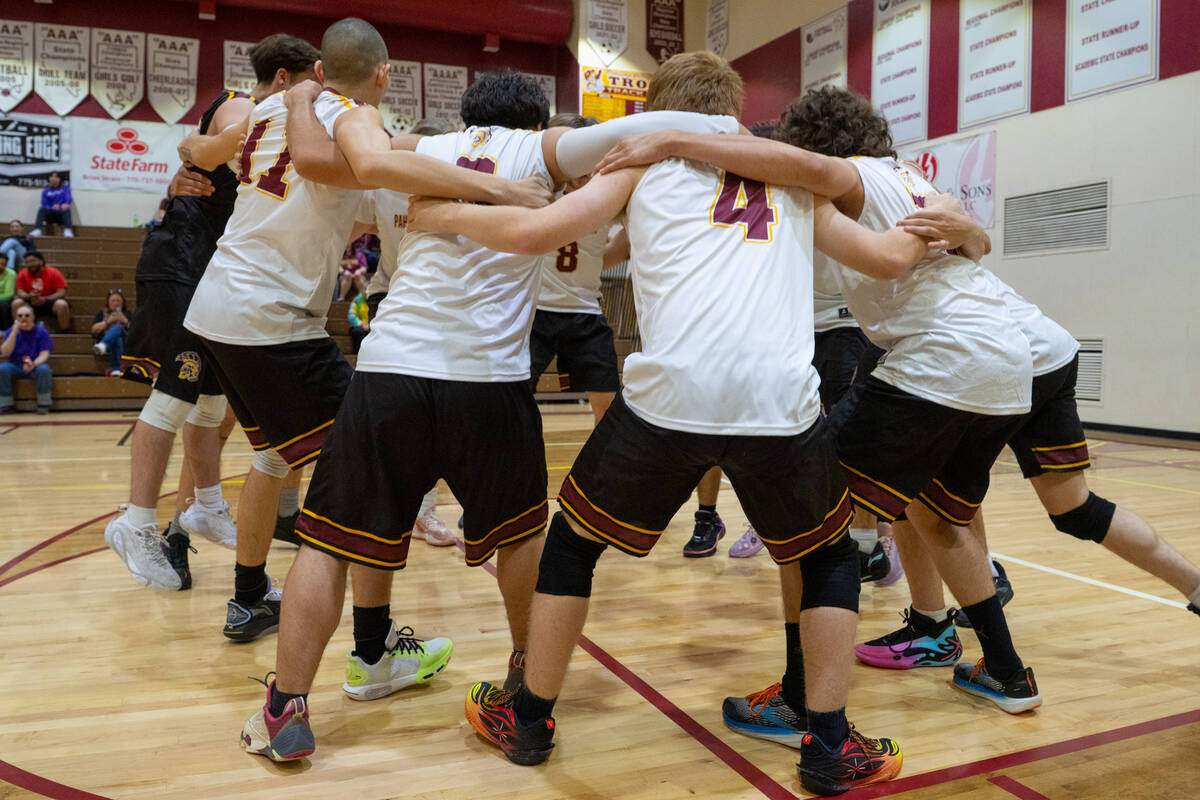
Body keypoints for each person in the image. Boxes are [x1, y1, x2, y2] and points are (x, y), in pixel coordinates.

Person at [404, 51, 959, 795]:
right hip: (778, 400)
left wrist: (443, 213)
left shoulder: (635, 159)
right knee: (826, 557)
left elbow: (543, 236)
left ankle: (529, 717)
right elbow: (888, 259)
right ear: (731, 106)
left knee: (571, 546)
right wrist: (951, 225)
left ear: (661, 108)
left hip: (673, 395)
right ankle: (829, 745)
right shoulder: (790, 170)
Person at [240, 41, 752, 763]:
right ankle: (522, 674)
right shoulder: (543, 153)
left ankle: (284, 711)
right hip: (490, 378)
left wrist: (293, 103)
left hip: (392, 369)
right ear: (537, 119)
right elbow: (663, 127)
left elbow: (322, 163)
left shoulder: (406, 151)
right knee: (521, 540)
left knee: (328, 544)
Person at [595, 85, 1042, 726]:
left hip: (939, 359)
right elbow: (966, 245)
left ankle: (802, 697)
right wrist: (974, 233)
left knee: (805, 512)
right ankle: (1004, 669)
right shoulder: (910, 177)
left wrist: (667, 140)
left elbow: (804, 171)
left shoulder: (848, 174)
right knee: (937, 517)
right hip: (1002, 368)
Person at [104, 34, 323, 595]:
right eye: (306, 86)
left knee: (212, 403)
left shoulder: (248, 113)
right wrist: (184, 160)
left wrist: (184, 160)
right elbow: (202, 149)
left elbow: (195, 153)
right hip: (183, 260)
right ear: (282, 79)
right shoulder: (247, 107)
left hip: (207, 267)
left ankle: (200, 508)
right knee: (175, 395)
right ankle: (136, 523)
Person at [529, 112, 623, 426]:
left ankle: (600, 472)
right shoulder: (537, 190)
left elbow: (626, 242)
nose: (582, 169)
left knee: (608, 401)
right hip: (534, 312)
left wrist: (594, 264)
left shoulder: (608, 194)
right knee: (513, 394)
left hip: (585, 312)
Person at [0, 306, 53, 414]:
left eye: (27, 315)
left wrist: (33, 364)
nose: (23, 318)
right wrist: (14, 334)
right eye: (20, 316)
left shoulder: (41, 331)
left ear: (33, 317)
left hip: (34, 365)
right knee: (2, 369)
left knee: (44, 369)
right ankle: (6, 405)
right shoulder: (11, 331)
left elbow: (44, 354)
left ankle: (43, 404)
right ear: (16, 318)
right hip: (15, 365)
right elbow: (5, 352)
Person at [12, 251, 70, 332]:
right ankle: (18, 331)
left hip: (49, 302)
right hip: (30, 302)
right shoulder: (22, 273)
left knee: (62, 304)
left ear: (41, 261)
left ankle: (65, 332)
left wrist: (44, 298)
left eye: (32, 261)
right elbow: (20, 291)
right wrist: (29, 296)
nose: (30, 264)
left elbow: (61, 292)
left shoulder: (54, 272)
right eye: (27, 262)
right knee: (16, 303)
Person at [91, 289, 130, 376]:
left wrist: (125, 320)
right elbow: (93, 330)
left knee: (119, 328)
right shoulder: (102, 313)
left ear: (122, 303)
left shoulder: (127, 314)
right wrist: (108, 322)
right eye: (113, 300)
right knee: (117, 339)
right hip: (111, 344)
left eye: (118, 300)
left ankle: (103, 344)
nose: (116, 303)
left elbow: (136, 331)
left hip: (126, 344)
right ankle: (117, 369)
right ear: (108, 302)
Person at [31, 172, 74, 237]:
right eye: (52, 176)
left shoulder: (65, 188)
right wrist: (52, 207)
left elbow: (68, 199)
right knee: (42, 209)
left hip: (61, 215)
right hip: (50, 216)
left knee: (67, 209)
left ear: (60, 179)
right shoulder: (46, 191)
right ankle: (37, 230)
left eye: (56, 177)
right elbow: (44, 204)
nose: (54, 178)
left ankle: (68, 230)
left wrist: (63, 205)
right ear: (49, 179)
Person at [0, 253, 15, 331]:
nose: (0, 266)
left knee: (3, 305)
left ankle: (6, 330)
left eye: (3, 264)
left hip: (6, 300)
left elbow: (8, 295)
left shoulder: (11, 274)